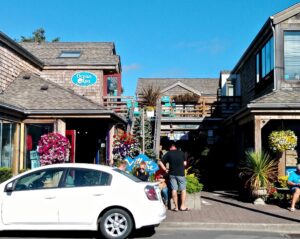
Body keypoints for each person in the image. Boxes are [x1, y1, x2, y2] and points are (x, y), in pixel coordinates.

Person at [159, 141, 188, 212]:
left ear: (171, 147)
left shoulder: (168, 153)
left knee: (174, 189)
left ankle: (176, 207)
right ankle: (183, 206)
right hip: (181, 174)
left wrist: (165, 169)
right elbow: (185, 163)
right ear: (176, 147)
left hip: (172, 174)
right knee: (183, 189)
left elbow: (160, 162)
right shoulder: (181, 153)